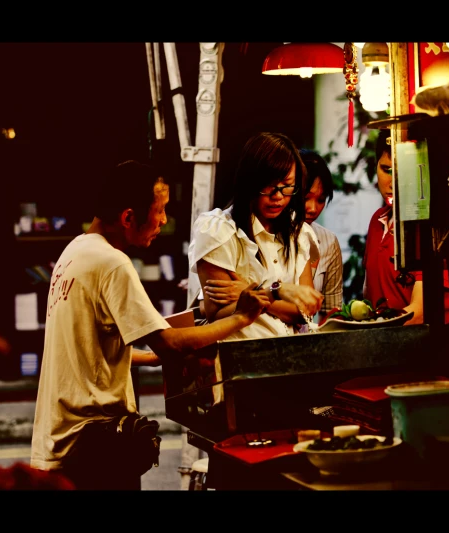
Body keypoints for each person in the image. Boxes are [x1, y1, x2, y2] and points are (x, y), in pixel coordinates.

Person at [29, 160, 271, 491]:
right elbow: (170, 342)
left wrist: (149, 358)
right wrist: (241, 317)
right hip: (94, 446)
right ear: (129, 217)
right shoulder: (111, 263)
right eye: (160, 211)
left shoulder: (75, 251)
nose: (163, 220)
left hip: (63, 441)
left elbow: (86, 349)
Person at [191, 131, 324, 337]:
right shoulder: (218, 230)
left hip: (290, 357)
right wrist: (274, 295)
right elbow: (215, 313)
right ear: (249, 182)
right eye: (269, 186)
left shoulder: (298, 232)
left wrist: (249, 294)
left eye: (287, 187)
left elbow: (304, 312)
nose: (278, 197)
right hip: (238, 357)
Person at [362, 130, 424, 325]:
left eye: (401, 171)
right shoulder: (376, 222)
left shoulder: (425, 226)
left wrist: (374, 327)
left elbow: (420, 311)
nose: (392, 182)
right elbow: (368, 297)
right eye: (385, 169)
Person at [299, 148, 344, 320]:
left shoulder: (328, 242)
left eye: (321, 199)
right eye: (306, 198)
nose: (313, 209)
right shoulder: (267, 234)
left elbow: (332, 311)